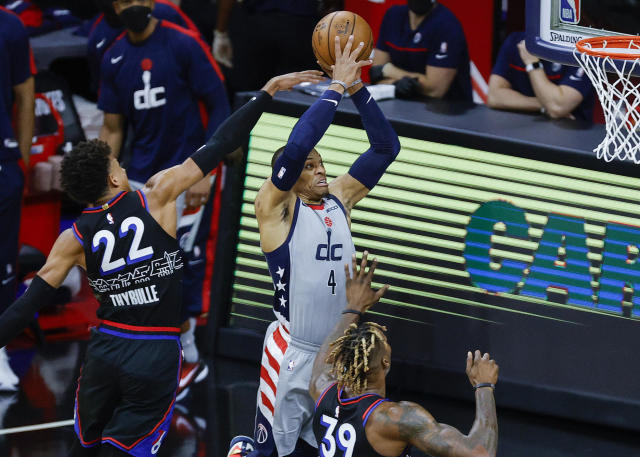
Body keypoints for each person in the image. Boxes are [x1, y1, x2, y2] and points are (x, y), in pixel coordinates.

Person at [0, 70, 323, 457]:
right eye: (117, 165)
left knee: (83, 449)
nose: (123, 167)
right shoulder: (157, 195)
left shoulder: (72, 239)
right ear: (113, 180)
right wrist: (267, 92)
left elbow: (25, 306)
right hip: (155, 351)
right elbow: (221, 143)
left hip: (106, 348)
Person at [232, 36, 401, 457]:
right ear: (290, 176)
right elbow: (296, 147)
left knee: (325, 450)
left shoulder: (340, 198)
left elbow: (386, 147)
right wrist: (335, 86)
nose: (321, 170)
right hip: (292, 350)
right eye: (309, 167)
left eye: (321, 163)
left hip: (337, 349)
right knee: (274, 452)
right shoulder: (274, 207)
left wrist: (357, 87)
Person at [98, 0, 231, 392]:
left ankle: (187, 348)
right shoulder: (113, 56)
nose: (133, 5)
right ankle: (151, 345)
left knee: (183, 260)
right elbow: (112, 127)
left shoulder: (183, 43)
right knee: (140, 265)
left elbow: (219, 104)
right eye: (124, 0)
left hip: (187, 172)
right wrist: (102, 179)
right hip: (140, 177)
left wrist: (206, 169)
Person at [310, 252, 500, 457]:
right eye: (384, 341)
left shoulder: (322, 388)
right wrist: (484, 386)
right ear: (385, 362)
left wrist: (354, 307)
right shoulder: (392, 419)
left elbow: (326, 358)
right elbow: (480, 453)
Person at [0, 5, 35, 392]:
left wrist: (21, 162)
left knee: (3, 262)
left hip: (2, 159)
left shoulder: (10, 26)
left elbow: (26, 97)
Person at [86, 0, 200, 95]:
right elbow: (106, 96)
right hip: (134, 108)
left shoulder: (164, 11)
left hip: (180, 102)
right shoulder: (97, 36)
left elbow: (200, 53)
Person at [369, 0, 472, 101]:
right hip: (398, 104)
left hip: (446, 107)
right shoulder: (393, 16)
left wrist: (390, 71)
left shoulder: (447, 25)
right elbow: (376, 74)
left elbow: (435, 90)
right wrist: (395, 85)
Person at [213, 0, 320, 91]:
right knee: (296, 93)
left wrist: (220, 32)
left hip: (259, 24)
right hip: (300, 26)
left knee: (249, 93)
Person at [487, 32, 595, 122]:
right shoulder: (516, 41)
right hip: (522, 126)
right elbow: (494, 97)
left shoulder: (582, 51)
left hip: (569, 130)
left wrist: (532, 64)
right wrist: (544, 105)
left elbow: (557, 107)